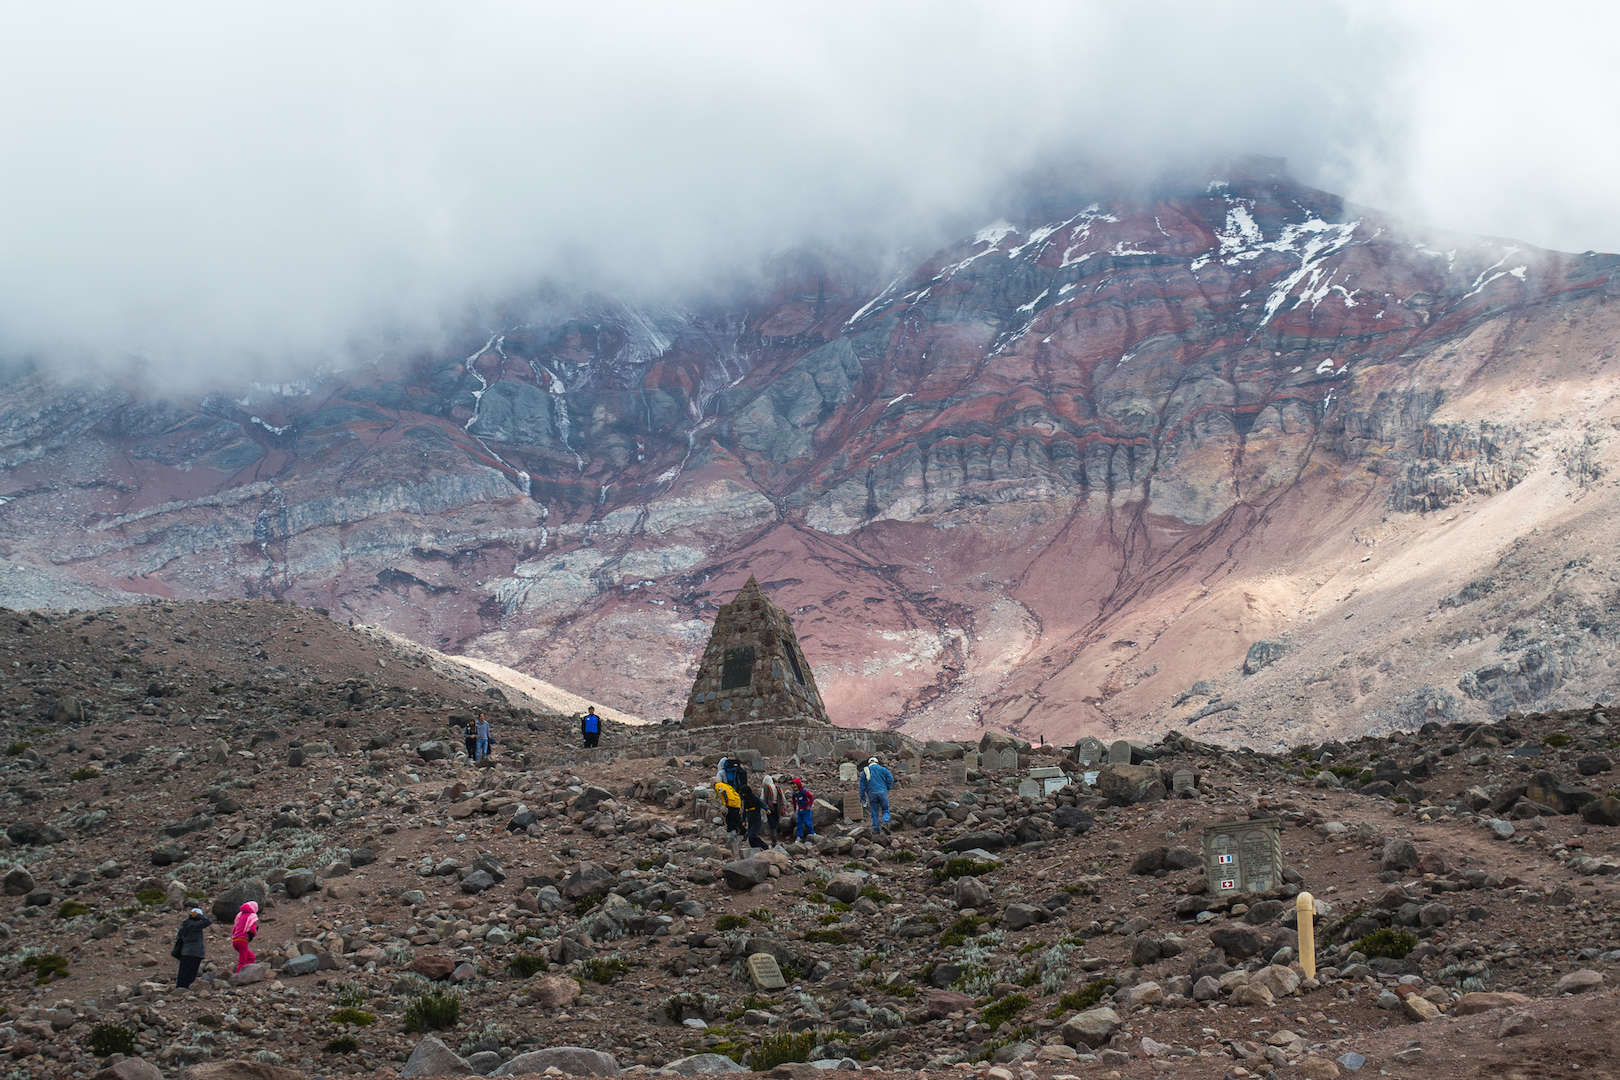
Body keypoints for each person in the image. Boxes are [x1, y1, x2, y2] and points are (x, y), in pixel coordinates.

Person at [172, 907, 210, 988]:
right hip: (195, 953)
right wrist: (199, 916)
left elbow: (179, 937)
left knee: (183, 972)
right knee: (191, 973)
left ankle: (180, 988)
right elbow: (208, 921)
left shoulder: (185, 924)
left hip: (185, 952)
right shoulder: (196, 925)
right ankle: (185, 988)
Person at [859, 756, 895, 835]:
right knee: (885, 809)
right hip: (882, 792)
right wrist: (887, 787)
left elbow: (861, 787)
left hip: (871, 794)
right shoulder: (883, 769)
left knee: (874, 811)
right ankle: (885, 822)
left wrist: (863, 799)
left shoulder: (865, 771)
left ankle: (876, 829)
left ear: (869, 763)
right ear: (877, 762)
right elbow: (890, 778)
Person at [713, 778, 744, 854]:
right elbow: (718, 795)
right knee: (736, 818)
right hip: (736, 802)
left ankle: (731, 833)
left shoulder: (718, 785)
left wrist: (726, 804)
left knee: (730, 818)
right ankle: (741, 831)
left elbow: (723, 793)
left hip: (731, 803)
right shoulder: (725, 785)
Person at [230, 900, 259, 973]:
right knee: (242, 962)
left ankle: (248, 972)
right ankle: (239, 976)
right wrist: (254, 933)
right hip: (242, 941)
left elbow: (235, 928)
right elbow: (252, 929)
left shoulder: (240, 915)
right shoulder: (252, 916)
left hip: (235, 940)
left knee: (251, 957)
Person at [760, 774, 784, 845]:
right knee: (775, 822)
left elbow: (762, 798)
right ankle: (775, 838)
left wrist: (764, 808)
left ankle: (774, 840)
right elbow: (782, 798)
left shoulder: (766, 787)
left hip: (769, 807)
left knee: (771, 823)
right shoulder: (777, 787)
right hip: (777, 807)